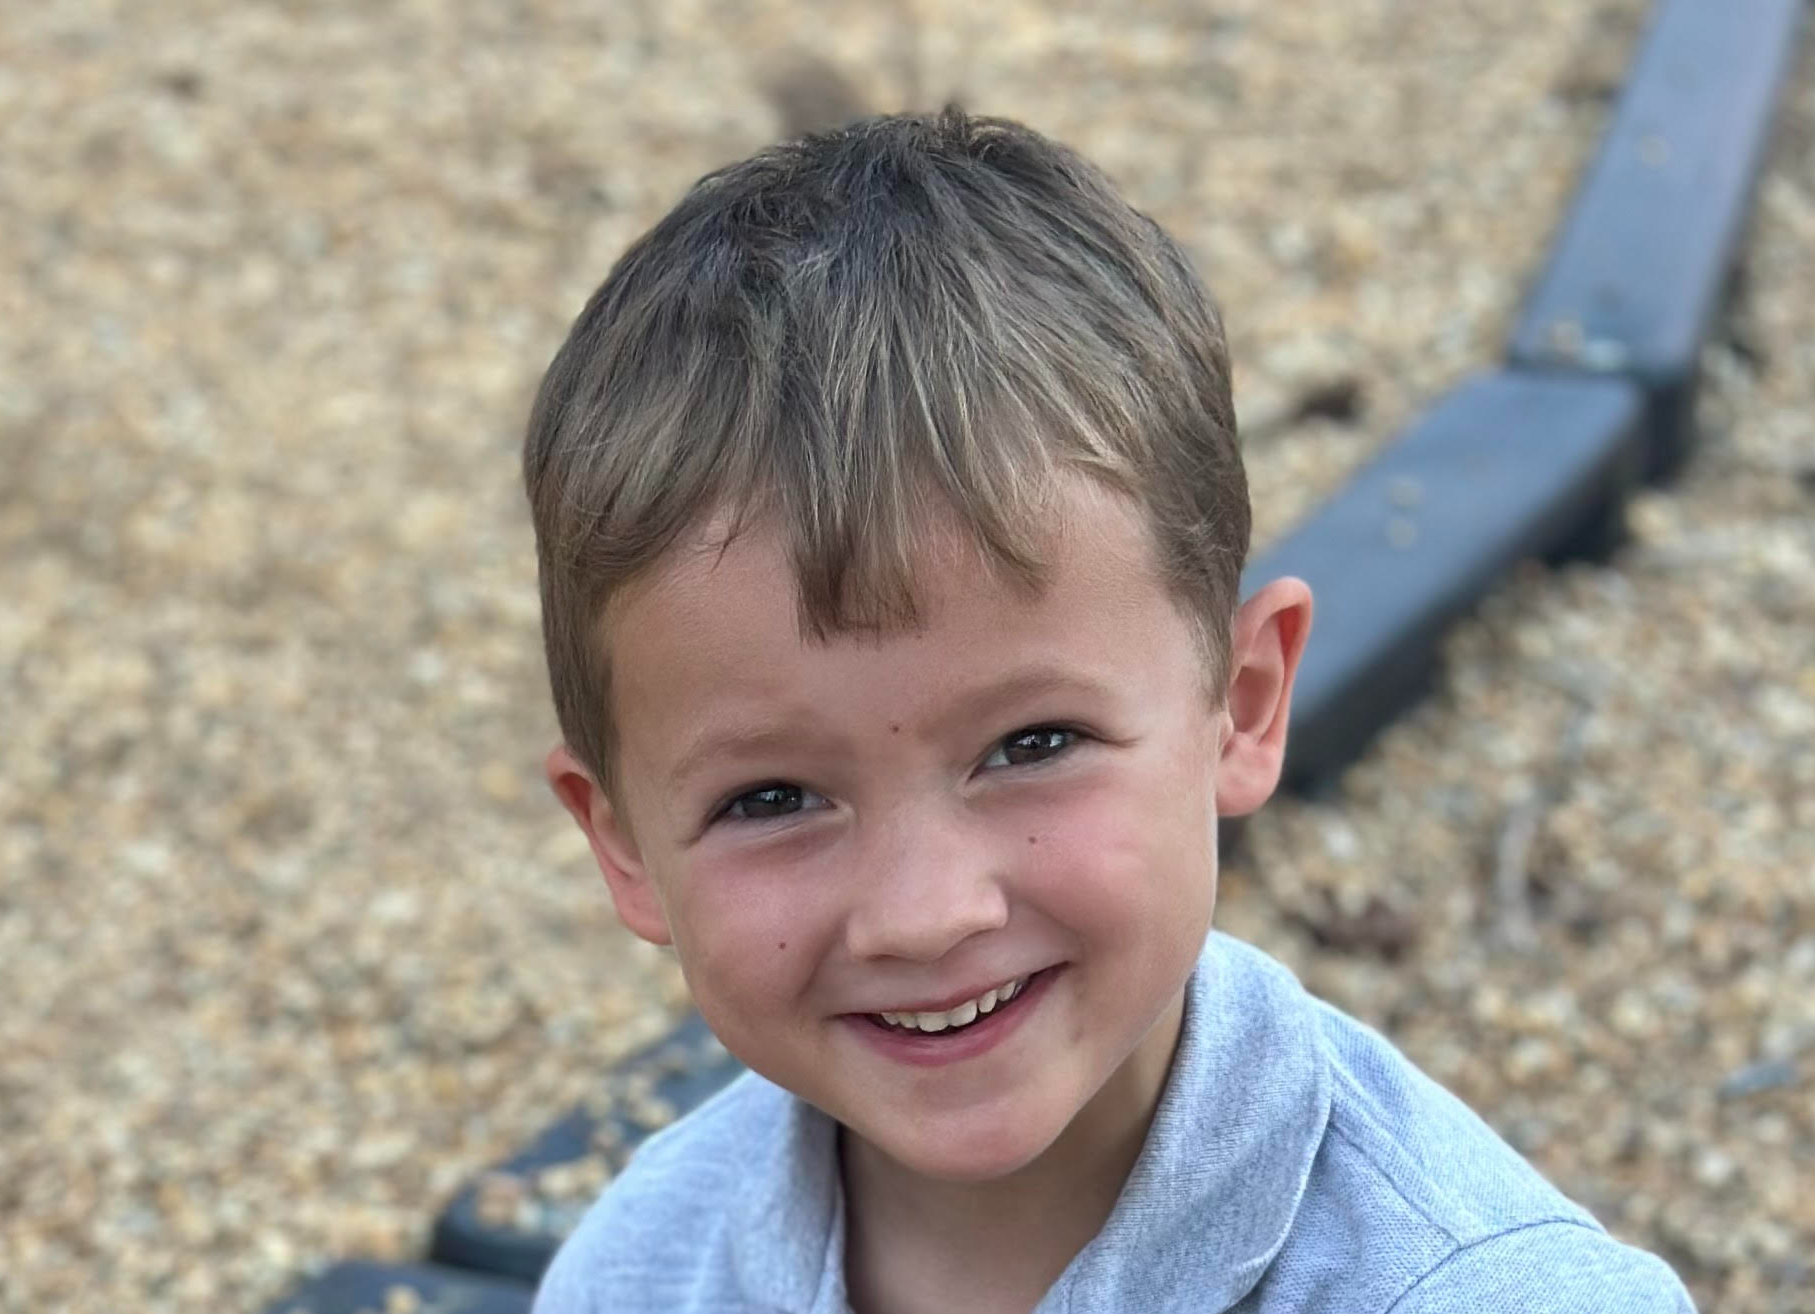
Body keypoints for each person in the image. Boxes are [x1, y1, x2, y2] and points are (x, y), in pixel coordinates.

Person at [518, 109, 1694, 1313]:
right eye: (771, 798)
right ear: (623, 847)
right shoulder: (637, 1270)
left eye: (1032, 745)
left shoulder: (1481, 1293)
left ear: (1239, 704)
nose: (925, 917)